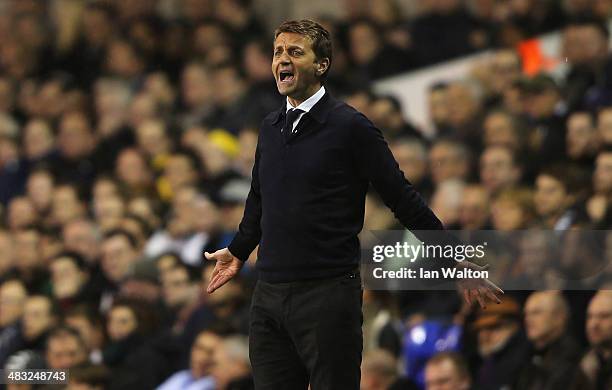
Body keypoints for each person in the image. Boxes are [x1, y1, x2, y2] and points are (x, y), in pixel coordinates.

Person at [204, 19, 502, 389]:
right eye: (278, 52)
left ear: (321, 64)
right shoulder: (270, 126)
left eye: (295, 52)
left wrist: (452, 258)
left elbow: (401, 196)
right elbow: (260, 194)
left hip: (327, 294)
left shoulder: (350, 127)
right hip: (269, 295)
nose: (283, 59)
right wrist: (238, 249)